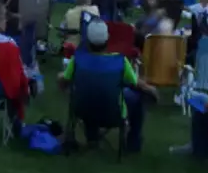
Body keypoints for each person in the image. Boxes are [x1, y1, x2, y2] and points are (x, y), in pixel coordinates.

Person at [57, 20, 158, 153]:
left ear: (87, 40)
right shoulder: (120, 61)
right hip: (113, 114)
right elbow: (137, 83)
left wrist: (63, 83)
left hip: (82, 111)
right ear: (107, 39)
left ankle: (92, 137)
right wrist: (151, 90)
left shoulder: (78, 60)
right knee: (135, 97)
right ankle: (134, 143)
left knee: (89, 92)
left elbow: (63, 80)